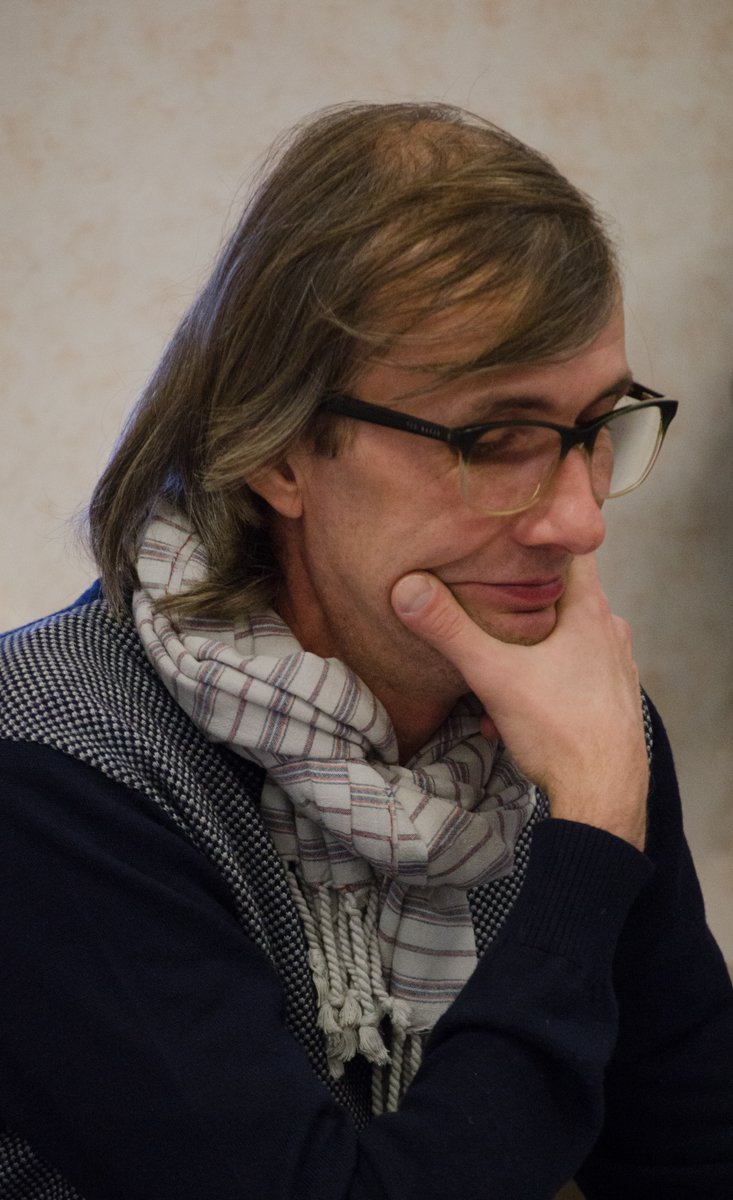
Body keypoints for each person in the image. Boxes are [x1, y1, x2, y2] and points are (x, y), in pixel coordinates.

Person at [0, 102, 731, 1200]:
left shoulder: (571, 718)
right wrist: (585, 847)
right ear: (281, 452)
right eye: (497, 440)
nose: (579, 521)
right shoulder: (49, 770)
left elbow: (691, 1151)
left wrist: (596, 804)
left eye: (594, 428)